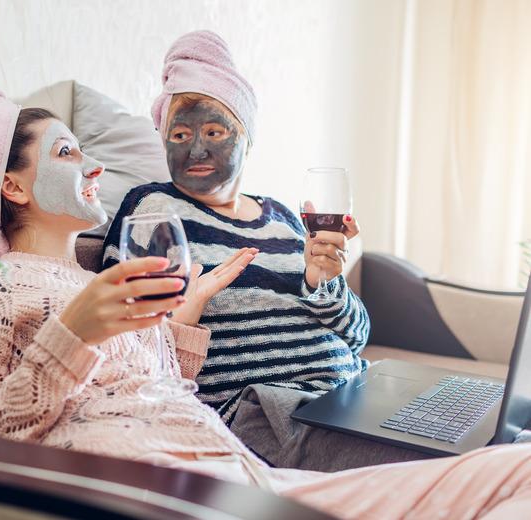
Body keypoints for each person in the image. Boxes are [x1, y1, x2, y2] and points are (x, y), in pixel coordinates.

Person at [0, 85, 531, 520]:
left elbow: (158, 387)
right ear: (12, 185)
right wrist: (71, 335)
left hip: (244, 476)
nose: (97, 166)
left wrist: (188, 319)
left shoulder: (98, 283)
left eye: (215, 131)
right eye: (66, 153)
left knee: (520, 466)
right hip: (164, 486)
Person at [102, 30, 423, 471]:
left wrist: (324, 283)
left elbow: (357, 337)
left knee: (478, 429)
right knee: (456, 466)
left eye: (215, 130)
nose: (196, 147)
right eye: (178, 134)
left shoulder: (284, 218)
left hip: (350, 394)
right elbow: (127, 351)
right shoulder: (154, 210)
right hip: (263, 415)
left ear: (247, 137)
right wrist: (187, 311)